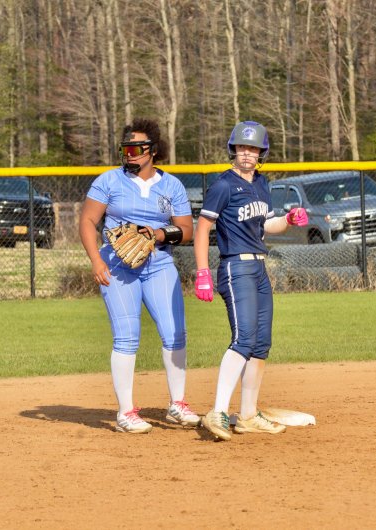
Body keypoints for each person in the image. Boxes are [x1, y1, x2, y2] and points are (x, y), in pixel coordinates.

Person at [79, 118, 200, 434]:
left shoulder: (171, 185)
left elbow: (186, 230)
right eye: (126, 148)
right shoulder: (109, 181)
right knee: (126, 336)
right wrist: (96, 260)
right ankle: (126, 412)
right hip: (117, 267)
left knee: (175, 333)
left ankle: (178, 405)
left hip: (159, 265)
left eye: (137, 148)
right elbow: (88, 221)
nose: (130, 153)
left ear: (154, 150)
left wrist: (160, 234)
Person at [192, 120, 308, 442]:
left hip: (259, 269)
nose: (247, 153)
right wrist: (202, 272)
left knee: (260, 345)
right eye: (242, 148)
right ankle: (217, 411)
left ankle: (247, 415)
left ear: (261, 154)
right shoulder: (223, 186)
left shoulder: (261, 184)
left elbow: (264, 226)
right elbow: (202, 229)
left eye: (253, 149)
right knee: (243, 340)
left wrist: (286, 220)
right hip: (235, 268)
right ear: (234, 150)